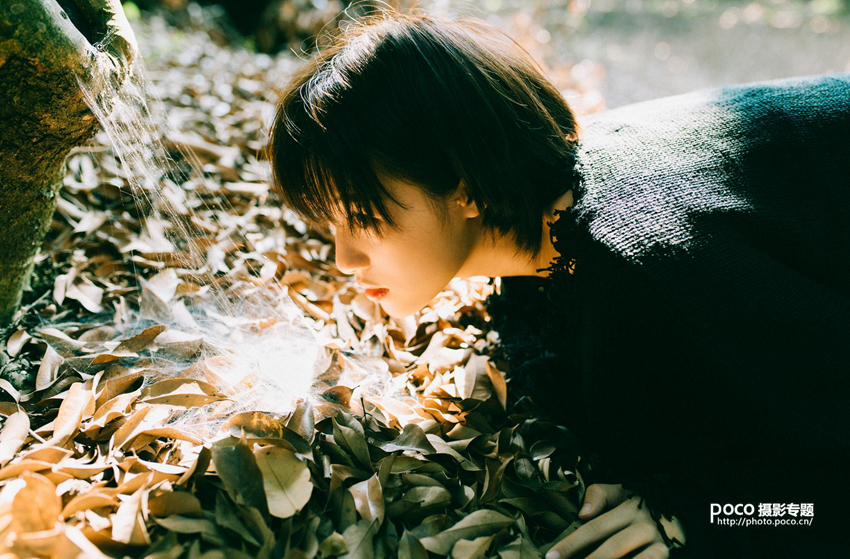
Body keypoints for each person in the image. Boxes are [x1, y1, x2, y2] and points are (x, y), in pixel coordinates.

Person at [267, 7, 850, 558]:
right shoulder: (555, 197)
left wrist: (701, 518)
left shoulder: (647, 277)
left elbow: (820, 494)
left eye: (365, 220)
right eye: (331, 224)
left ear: (465, 186)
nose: (344, 259)